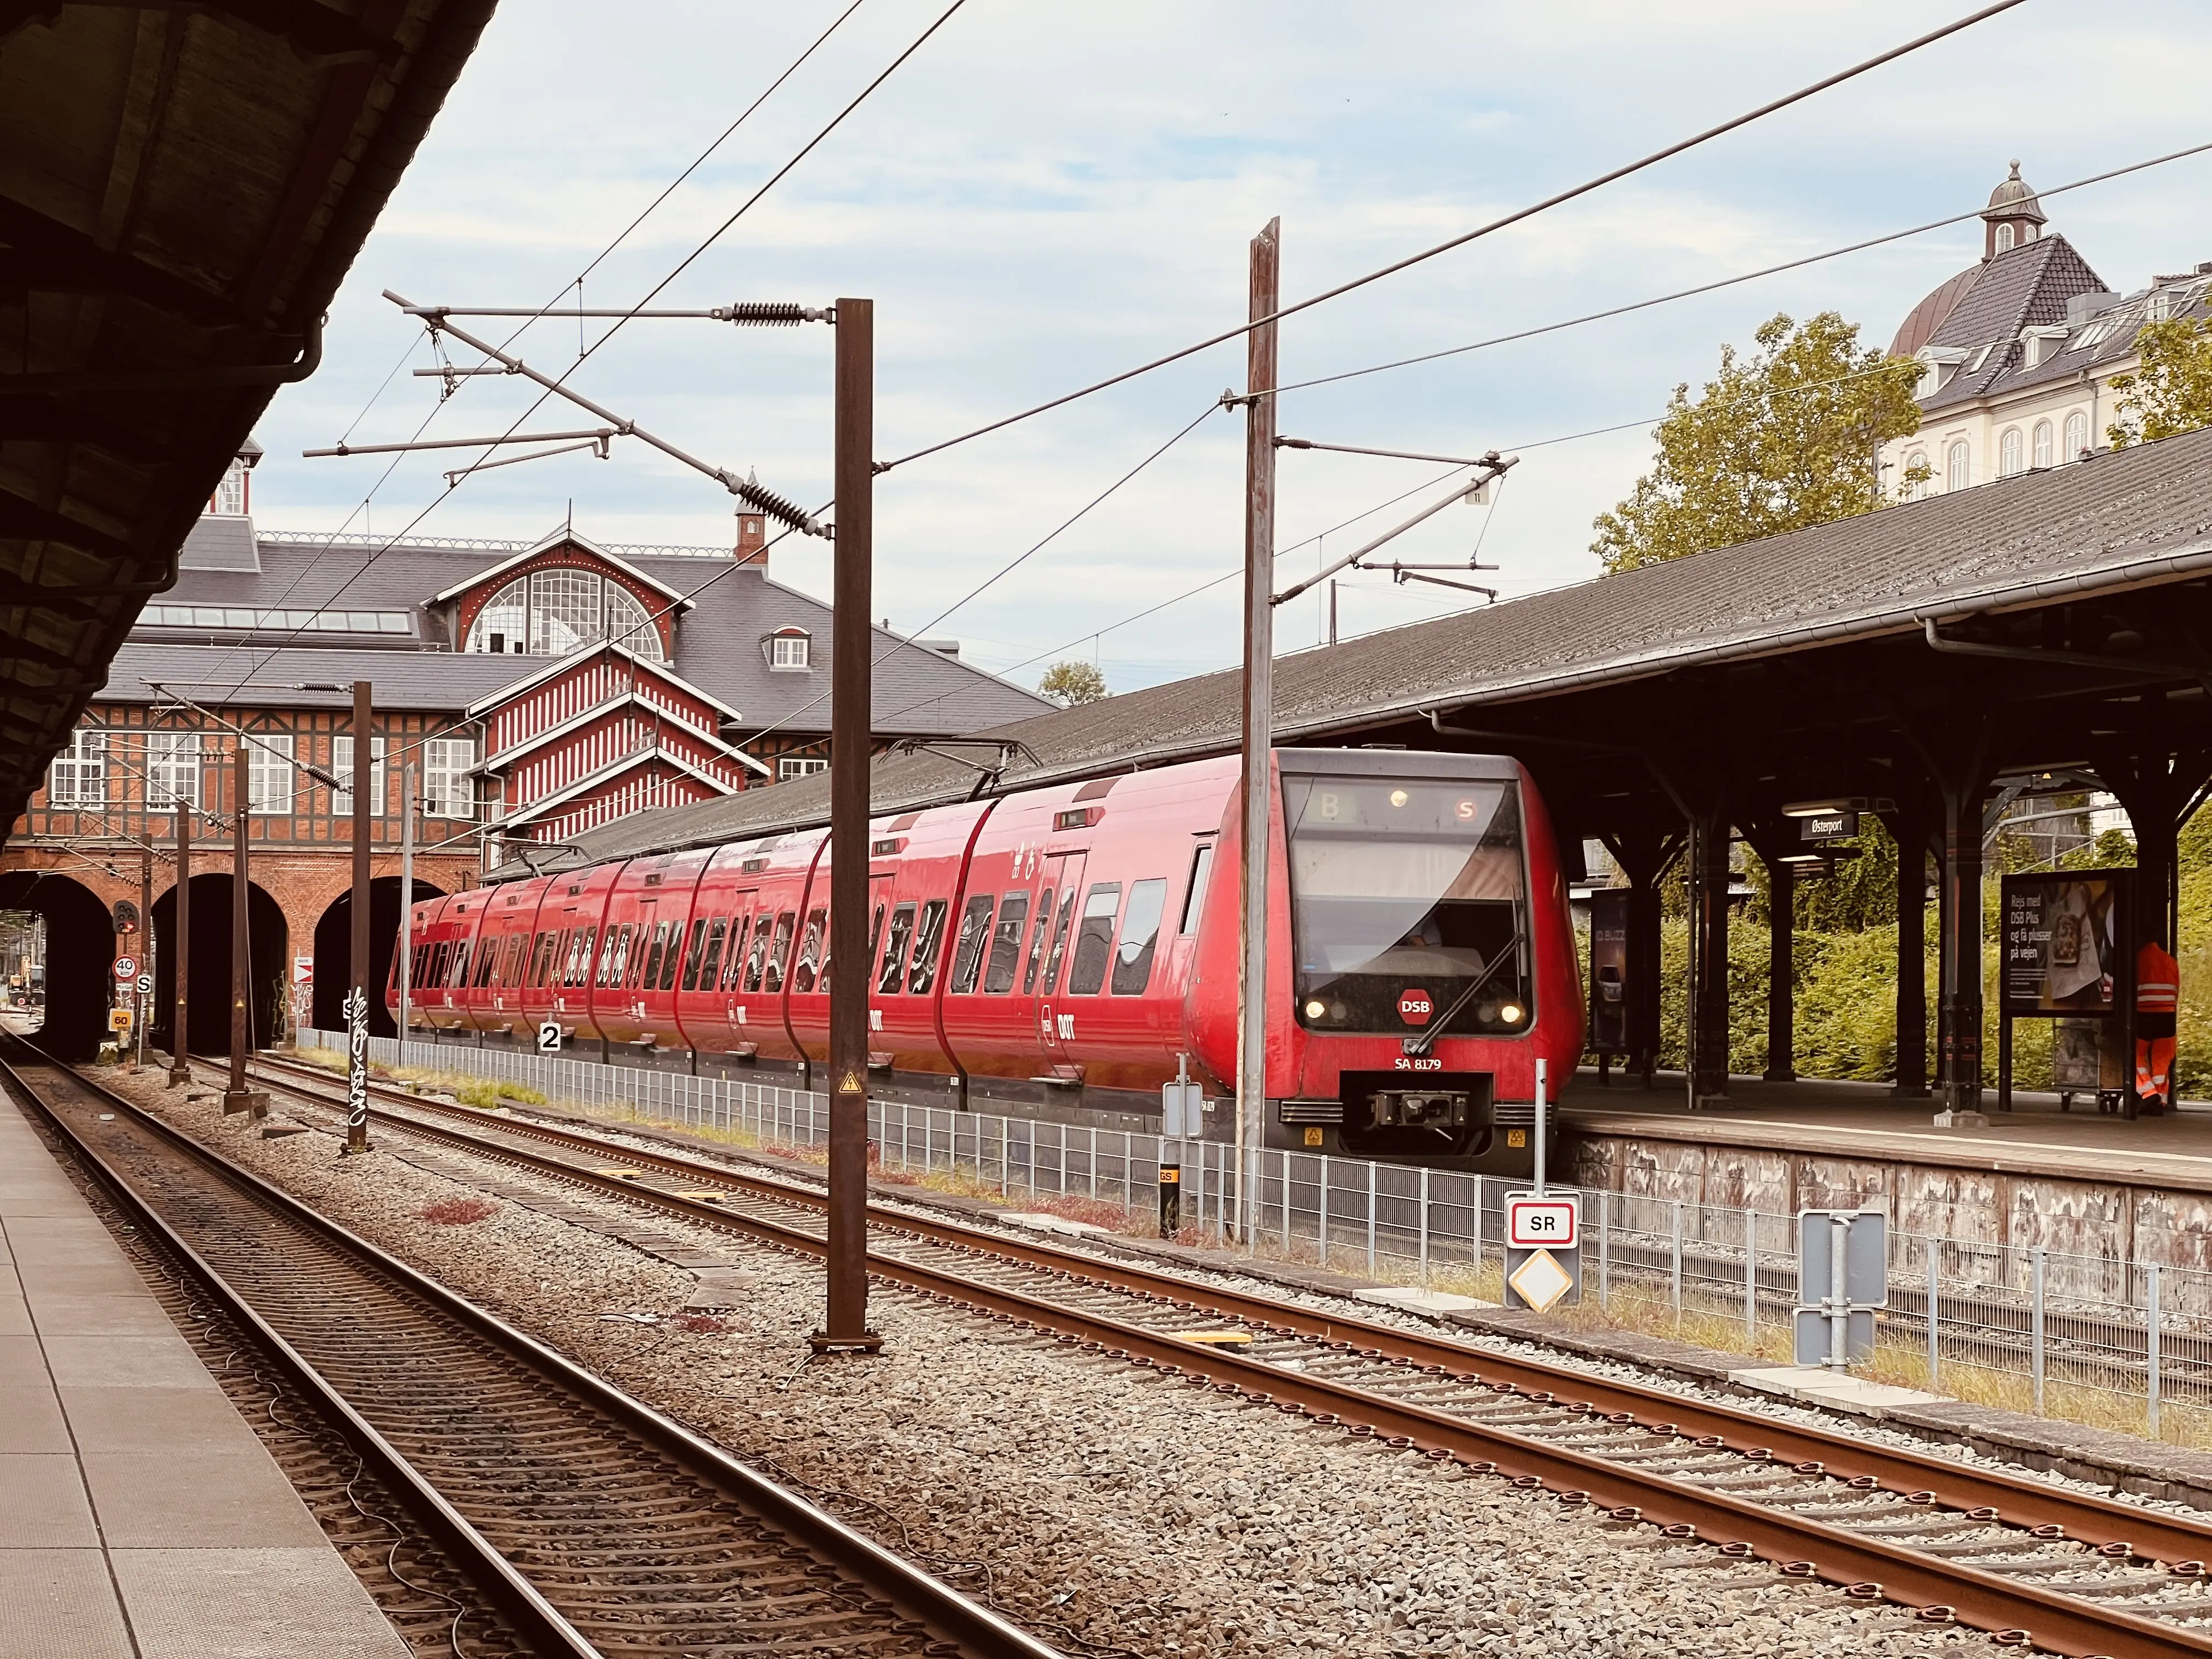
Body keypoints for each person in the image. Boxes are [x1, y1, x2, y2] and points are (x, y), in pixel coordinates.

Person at [2136, 939, 2180, 1115]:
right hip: (2167, 1016)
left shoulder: (2138, 959)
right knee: (2162, 1060)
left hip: (2143, 1016)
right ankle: (2161, 1101)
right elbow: (2176, 989)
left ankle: (2148, 1093)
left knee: (2135, 1055)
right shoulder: (2170, 961)